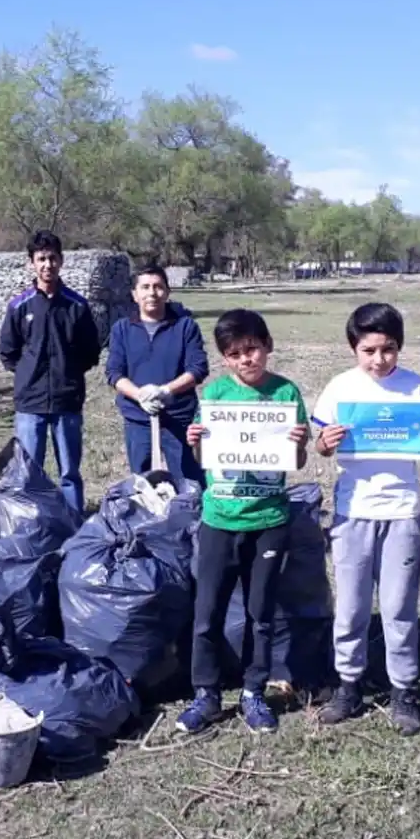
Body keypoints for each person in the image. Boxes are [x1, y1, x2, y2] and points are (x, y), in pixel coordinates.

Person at [310, 303, 420, 736]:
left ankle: (403, 691)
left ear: (399, 347)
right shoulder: (339, 388)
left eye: (388, 349)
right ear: (354, 347)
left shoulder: (418, 389)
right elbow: (320, 446)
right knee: (350, 607)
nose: (379, 359)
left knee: (397, 607)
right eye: (369, 349)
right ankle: (348, 686)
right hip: (353, 511)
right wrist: (325, 442)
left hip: (402, 511)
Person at [178, 309, 309, 735]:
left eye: (252, 349)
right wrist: (195, 443)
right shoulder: (214, 394)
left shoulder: (286, 393)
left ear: (267, 345)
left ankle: (254, 691)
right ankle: (206, 694)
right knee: (207, 611)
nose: (246, 360)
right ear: (224, 359)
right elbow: (203, 459)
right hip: (219, 517)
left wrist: (298, 444)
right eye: (234, 354)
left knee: (260, 613)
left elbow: (298, 460)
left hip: (269, 518)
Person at [0, 230, 101, 515]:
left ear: (61, 261)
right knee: (30, 474)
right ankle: (35, 525)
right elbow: (8, 351)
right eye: (41, 259)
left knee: (69, 472)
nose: (47, 265)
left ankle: (73, 525)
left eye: (52, 258)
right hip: (30, 404)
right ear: (32, 263)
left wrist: (67, 373)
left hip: (67, 402)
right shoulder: (19, 306)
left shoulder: (77, 306)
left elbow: (91, 351)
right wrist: (28, 374)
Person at [104, 264, 209, 485]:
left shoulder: (185, 327)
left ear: (167, 292)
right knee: (143, 482)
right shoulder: (121, 329)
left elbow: (197, 368)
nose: (152, 293)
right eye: (145, 287)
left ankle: (189, 518)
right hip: (138, 418)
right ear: (134, 294)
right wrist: (139, 395)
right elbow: (114, 372)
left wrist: (165, 390)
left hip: (179, 418)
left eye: (158, 287)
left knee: (189, 481)